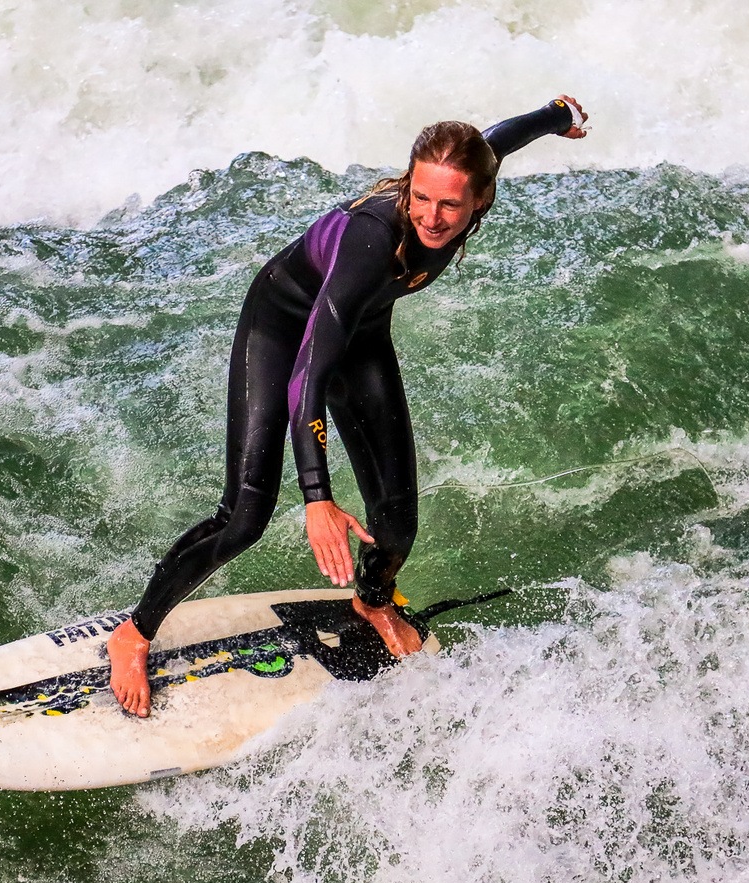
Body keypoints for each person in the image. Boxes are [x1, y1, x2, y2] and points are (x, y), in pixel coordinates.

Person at [108, 96, 590, 717]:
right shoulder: (370, 239)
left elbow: (501, 137)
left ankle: (372, 599)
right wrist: (317, 499)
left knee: (396, 521)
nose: (432, 217)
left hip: (360, 335)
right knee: (245, 517)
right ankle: (135, 632)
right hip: (283, 330)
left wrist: (558, 115)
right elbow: (307, 375)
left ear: (479, 197)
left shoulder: (472, 175)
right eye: (420, 197)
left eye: (449, 203)